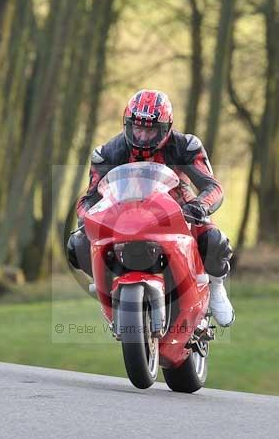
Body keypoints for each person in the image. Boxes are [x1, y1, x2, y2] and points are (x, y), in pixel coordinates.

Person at [66, 89, 234, 327]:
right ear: (127, 124)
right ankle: (110, 288)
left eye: (151, 130)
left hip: (178, 210)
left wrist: (200, 206)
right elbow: (88, 199)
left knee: (214, 239)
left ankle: (216, 287)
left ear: (166, 128)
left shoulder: (186, 146)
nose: (143, 136)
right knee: (77, 243)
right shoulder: (107, 153)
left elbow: (213, 187)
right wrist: (87, 218)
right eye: (138, 128)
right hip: (123, 215)